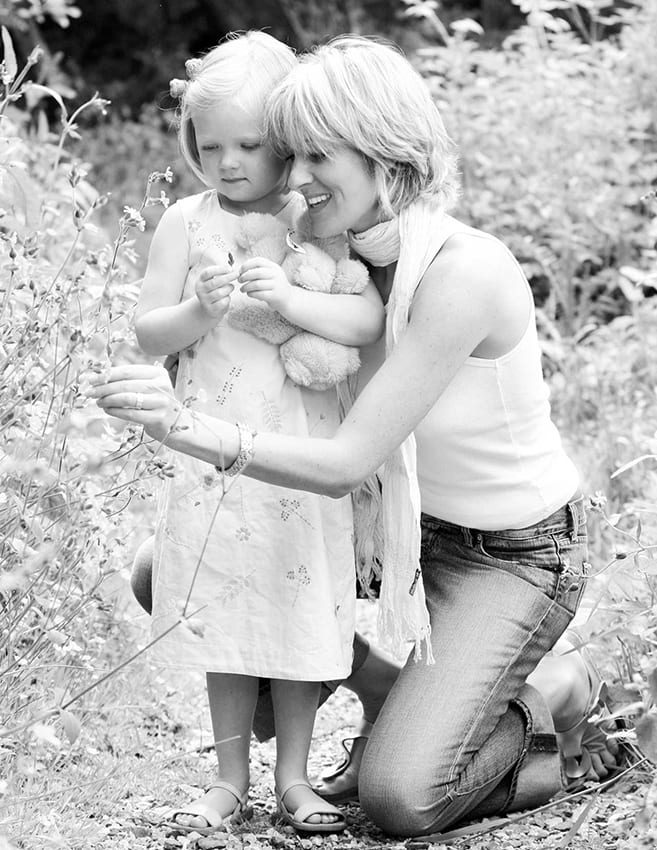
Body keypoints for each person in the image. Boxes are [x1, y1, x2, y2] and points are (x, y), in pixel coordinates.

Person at [87, 35, 622, 837]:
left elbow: (343, 463)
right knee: (166, 570)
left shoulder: (461, 271)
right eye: (290, 154)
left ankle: (557, 687)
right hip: (404, 536)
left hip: (511, 551)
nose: (294, 178)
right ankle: (386, 689)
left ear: (387, 156)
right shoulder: (328, 255)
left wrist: (184, 426)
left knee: (399, 797)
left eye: (316, 157)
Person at [129, 31, 385, 837]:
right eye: (211, 146)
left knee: (300, 604)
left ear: (287, 143)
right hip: (217, 451)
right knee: (228, 608)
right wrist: (199, 311)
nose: (230, 162)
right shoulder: (186, 220)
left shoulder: (312, 217)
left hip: (299, 454)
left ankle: (297, 777)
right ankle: (229, 777)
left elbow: (365, 316)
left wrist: (293, 296)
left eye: (250, 144)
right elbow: (147, 333)